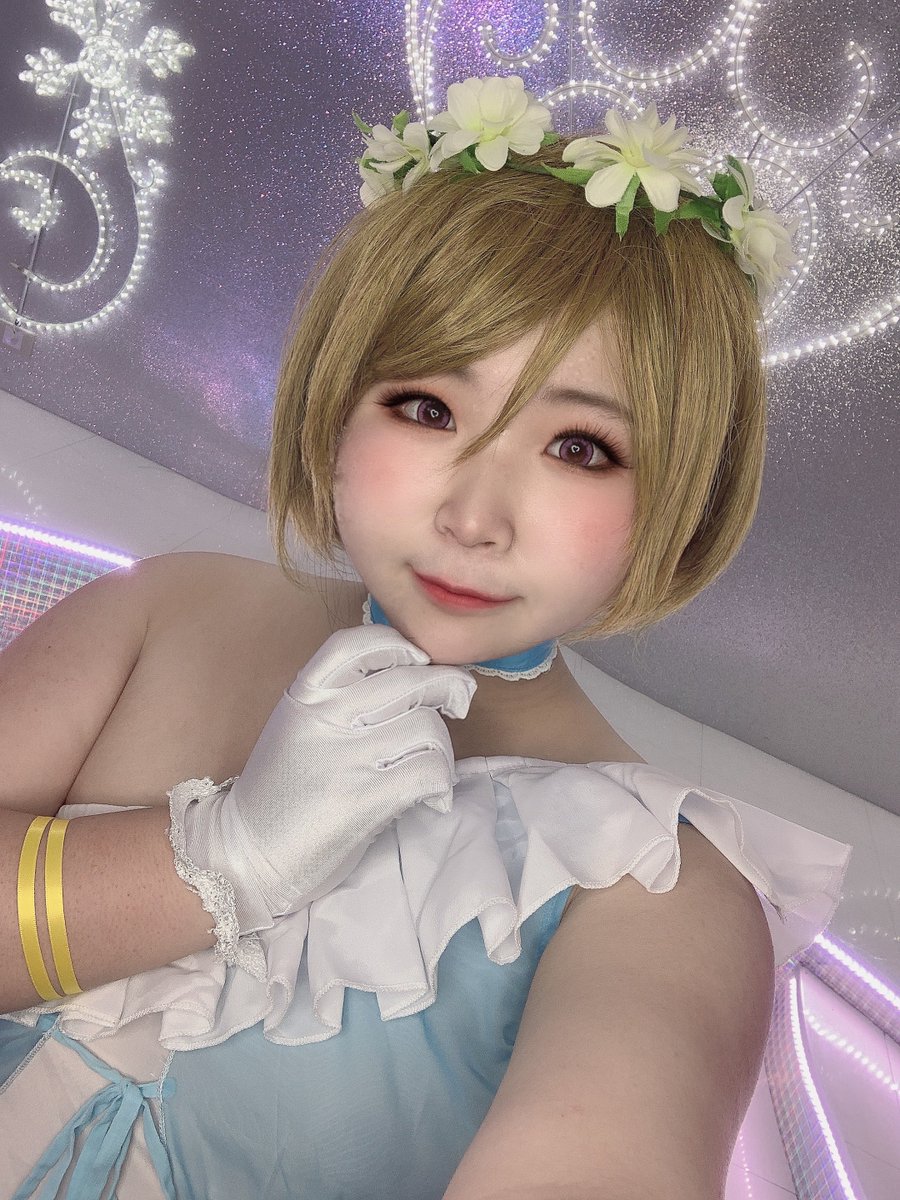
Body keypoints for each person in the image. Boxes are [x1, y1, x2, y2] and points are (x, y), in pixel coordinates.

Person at [0, 76, 850, 1200]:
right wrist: (223, 861)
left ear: (680, 500)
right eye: (428, 408)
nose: (474, 517)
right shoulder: (162, 614)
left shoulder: (660, 888)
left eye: (581, 449)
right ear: (337, 402)